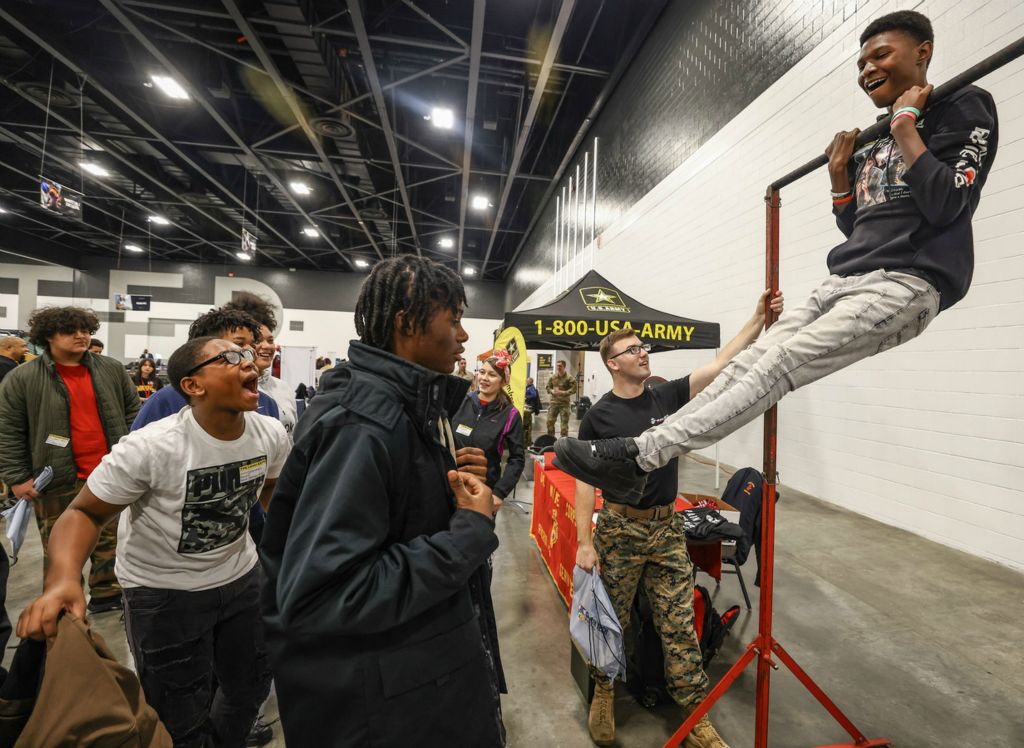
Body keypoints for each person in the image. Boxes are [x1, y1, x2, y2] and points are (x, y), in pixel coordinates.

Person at [554, 10, 998, 499]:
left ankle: (641, 455)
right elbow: (860, 228)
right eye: (861, 63)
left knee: (780, 362)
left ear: (923, 52)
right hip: (846, 280)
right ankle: (641, 451)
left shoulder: (963, 104)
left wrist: (907, 127)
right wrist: (838, 181)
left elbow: (949, 203)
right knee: (749, 362)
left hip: (908, 282)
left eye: (881, 55)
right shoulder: (879, 134)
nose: (867, 70)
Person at [262, 256, 505, 747]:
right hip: (381, 709)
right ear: (406, 324)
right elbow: (327, 593)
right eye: (453, 318)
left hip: (410, 683)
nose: (463, 336)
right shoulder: (363, 423)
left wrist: (450, 489)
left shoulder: (399, 404)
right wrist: (469, 530)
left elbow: (393, 518)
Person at [17, 337, 289, 748]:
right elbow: (83, 513)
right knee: (178, 713)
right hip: (163, 595)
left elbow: (271, 487)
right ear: (193, 386)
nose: (249, 362)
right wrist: (62, 579)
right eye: (231, 357)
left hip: (241, 581)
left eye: (249, 355)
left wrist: (284, 548)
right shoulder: (151, 447)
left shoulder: (269, 433)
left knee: (249, 686)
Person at [576, 290, 783, 747]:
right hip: (619, 529)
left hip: (667, 527)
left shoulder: (664, 396)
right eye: (632, 349)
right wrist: (584, 541)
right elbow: (583, 480)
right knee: (611, 619)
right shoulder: (598, 416)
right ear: (613, 362)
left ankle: (694, 709)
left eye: (642, 346)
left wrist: (756, 319)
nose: (642, 352)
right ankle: (604, 691)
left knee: (679, 623)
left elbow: (723, 365)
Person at [0, 307, 138, 613]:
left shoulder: (111, 369)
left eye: (86, 330)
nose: (81, 336)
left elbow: (133, 416)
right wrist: (17, 478)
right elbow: (7, 431)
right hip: (56, 478)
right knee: (61, 546)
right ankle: (63, 600)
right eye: (71, 331)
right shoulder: (21, 379)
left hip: (109, 473)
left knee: (112, 541)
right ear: (48, 336)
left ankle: (108, 597)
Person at [133, 308, 279, 429]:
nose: (250, 354)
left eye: (252, 346)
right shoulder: (164, 401)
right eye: (237, 346)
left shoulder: (265, 403)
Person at [451, 353, 526, 508]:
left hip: (483, 491)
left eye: (492, 375)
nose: (484, 378)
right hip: (451, 485)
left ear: (503, 381)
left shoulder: (510, 415)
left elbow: (517, 459)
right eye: (482, 372)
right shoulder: (461, 402)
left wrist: (499, 493)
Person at [223, 292, 297, 437]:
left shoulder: (283, 388)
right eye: (257, 341)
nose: (267, 347)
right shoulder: (229, 390)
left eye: (270, 340)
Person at [546, 359, 576, 437]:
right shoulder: (553, 377)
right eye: (557, 366)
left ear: (564, 366)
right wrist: (551, 391)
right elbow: (547, 387)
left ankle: (563, 443)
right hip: (554, 403)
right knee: (550, 422)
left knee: (564, 426)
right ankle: (550, 440)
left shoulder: (569, 378)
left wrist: (563, 393)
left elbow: (574, 389)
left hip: (564, 404)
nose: (558, 367)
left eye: (560, 366)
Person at [523, 376, 542, 446]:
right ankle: (527, 440)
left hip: (530, 407)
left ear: (530, 381)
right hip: (529, 406)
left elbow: (534, 395)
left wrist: (526, 397)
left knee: (527, 425)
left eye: (527, 380)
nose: (526, 381)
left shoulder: (531, 388)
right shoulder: (528, 387)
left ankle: (527, 441)